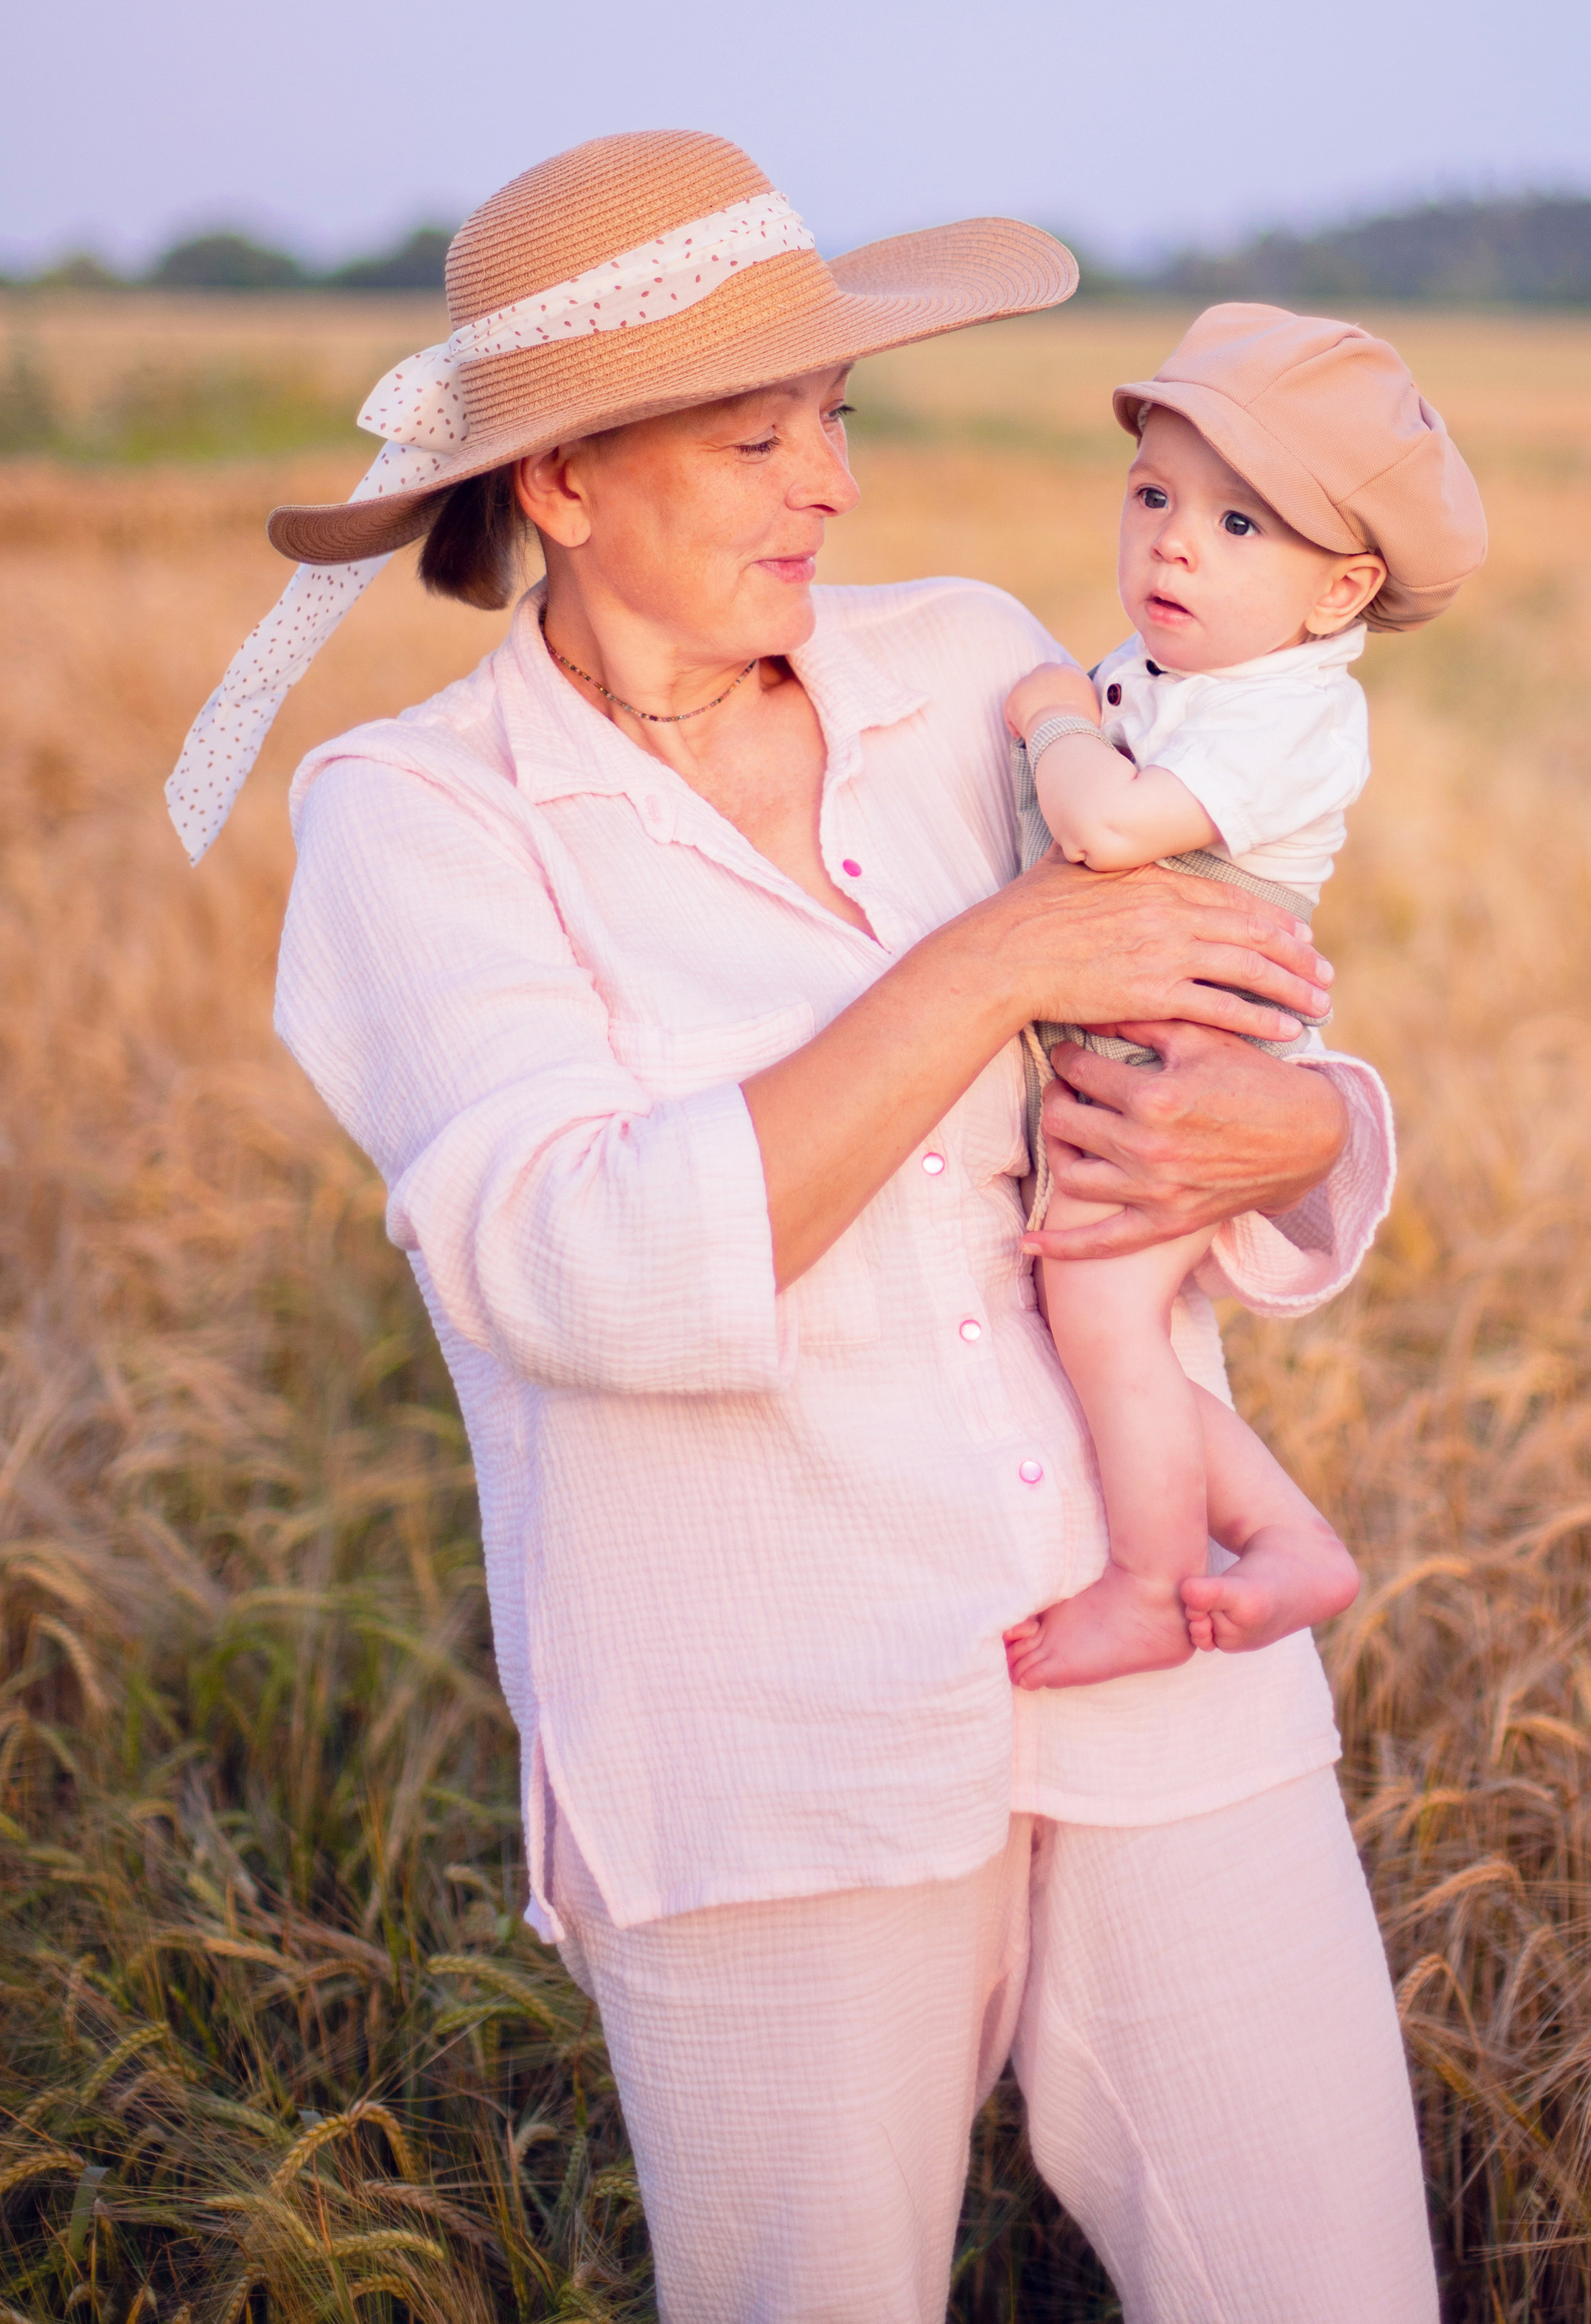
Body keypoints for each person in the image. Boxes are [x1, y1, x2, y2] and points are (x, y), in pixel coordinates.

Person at [169, 130, 1440, 2320]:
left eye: (833, 419)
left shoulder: (969, 665)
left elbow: (1209, 1058)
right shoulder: (415, 818)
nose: (829, 484)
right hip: (770, 1747)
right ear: (561, 482)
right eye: (757, 435)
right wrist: (990, 966)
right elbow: (580, 1261)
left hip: (1170, 1661)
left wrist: (1302, 1128)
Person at [1001, 306, 1486, 1690]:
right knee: (1106, 1324)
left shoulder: (1290, 714)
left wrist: (1047, 718)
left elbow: (1108, 828)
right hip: (1125, 1054)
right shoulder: (1180, 671)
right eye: (1155, 494)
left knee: (1099, 1318)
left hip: (1190, 1073)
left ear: (1339, 596)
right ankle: (1289, 1536)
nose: (1171, 542)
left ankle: (1155, 1588)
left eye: (1239, 526)